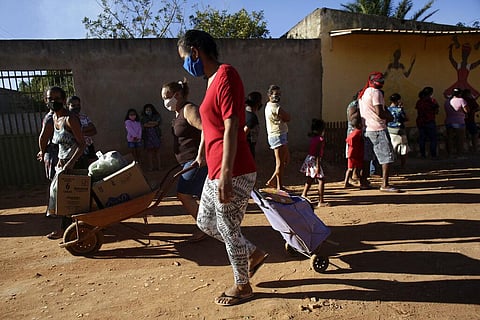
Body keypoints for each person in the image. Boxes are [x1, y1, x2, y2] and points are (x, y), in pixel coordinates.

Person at [177, 29, 268, 306]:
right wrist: (202, 154)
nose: (185, 64)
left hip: (234, 168)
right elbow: (210, 123)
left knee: (228, 228)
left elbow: (231, 124)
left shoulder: (226, 74)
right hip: (214, 167)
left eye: (184, 57)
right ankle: (251, 254)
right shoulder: (211, 81)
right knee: (205, 222)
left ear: (194, 52)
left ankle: (243, 286)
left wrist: (227, 174)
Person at [161, 79, 208, 242]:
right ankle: (216, 225)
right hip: (186, 161)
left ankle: (205, 227)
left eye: (167, 97)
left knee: (184, 194)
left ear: (178, 94)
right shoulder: (178, 112)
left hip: (195, 161)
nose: (165, 101)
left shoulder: (189, 109)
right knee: (203, 195)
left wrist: (201, 156)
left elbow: (206, 130)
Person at [45, 86, 86, 239]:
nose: (53, 101)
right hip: (63, 164)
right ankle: (69, 228)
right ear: (45, 101)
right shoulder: (54, 119)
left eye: (57, 98)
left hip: (75, 163)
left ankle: (68, 230)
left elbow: (82, 144)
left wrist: (70, 163)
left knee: (69, 198)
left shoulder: (70, 119)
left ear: (63, 100)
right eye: (50, 99)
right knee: (64, 197)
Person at [358, 71, 399, 192]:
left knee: (367, 157)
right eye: (379, 80)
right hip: (378, 129)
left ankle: (364, 181)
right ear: (372, 81)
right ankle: (385, 184)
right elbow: (380, 113)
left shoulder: (364, 93)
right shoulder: (376, 93)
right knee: (386, 157)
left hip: (367, 129)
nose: (381, 83)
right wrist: (390, 117)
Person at [264, 84, 291, 191]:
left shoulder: (268, 106)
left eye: (279, 94)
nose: (278, 96)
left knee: (284, 160)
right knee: (280, 163)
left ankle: (273, 181)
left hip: (276, 135)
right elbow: (288, 117)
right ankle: (279, 185)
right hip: (278, 135)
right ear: (269, 95)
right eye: (276, 94)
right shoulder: (276, 107)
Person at [300, 119, 329, 207]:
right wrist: (318, 166)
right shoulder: (320, 139)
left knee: (310, 178)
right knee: (321, 180)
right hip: (315, 160)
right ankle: (321, 201)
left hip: (309, 158)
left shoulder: (313, 138)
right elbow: (318, 154)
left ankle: (304, 194)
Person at [37, 110, 59, 217]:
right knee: (55, 182)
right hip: (54, 153)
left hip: (57, 153)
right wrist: (43, 151)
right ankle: (53, 209)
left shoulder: (62, 116)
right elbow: (43, 137)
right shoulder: (50, 118)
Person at [67, 96, 98, 168]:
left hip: (89, 146)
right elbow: (71, 133)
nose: (76, 107)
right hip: (76, 149)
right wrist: (84, 129)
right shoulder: (67, 119)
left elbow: (94, 130)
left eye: (78, 105)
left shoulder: (84, 117)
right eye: (73, 106)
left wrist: (79, 132)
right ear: (68, 106)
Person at [415, 86, 439, 159]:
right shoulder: (432, 101)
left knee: (422, 139)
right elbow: (436, 111)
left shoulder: (419, 101)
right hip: (430, 121)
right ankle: (433, 155)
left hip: (421, 121)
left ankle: (423, 154)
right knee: (433, 139)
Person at [387, 93, 409, 168]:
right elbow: (405, 118)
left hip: (390, 130)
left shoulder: (387, 109)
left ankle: (391, 165)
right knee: (403, 148)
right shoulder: (399, 110)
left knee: (392, 148)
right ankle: (402, 165)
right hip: (399, 130)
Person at [444, 88, 468, 158]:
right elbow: (466, 110)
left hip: (449, 121)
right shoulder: (461, 100)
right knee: (460, 139)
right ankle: (459, 154)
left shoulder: (447, 101)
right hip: (459, 121)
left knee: (449, 138)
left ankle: (450, 154)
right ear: (460, 94)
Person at [140, 103, 162, 171]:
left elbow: (157, 123)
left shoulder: (156, 116)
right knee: (149, 152)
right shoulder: (143, 117)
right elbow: (145, 125)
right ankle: (151, 167)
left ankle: (159, 166)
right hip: (148, 136)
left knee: (157, 152)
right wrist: (152, 123)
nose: (148, 111)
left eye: (149, 110)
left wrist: (150, 123)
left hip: (156, 135)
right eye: (147, 110)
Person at [344, 117, 364, 189]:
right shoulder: (358, 132)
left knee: (350, 168)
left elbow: (348, 140)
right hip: (356, 153)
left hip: (351, 152)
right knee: (359, 167)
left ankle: (346, 182)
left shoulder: (352, 133)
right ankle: (362, 182)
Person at [244, 91, 263, 159]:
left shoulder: (245, 113)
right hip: (247, 148)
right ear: (257, 104)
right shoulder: (252, 117)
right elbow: (244, 133)